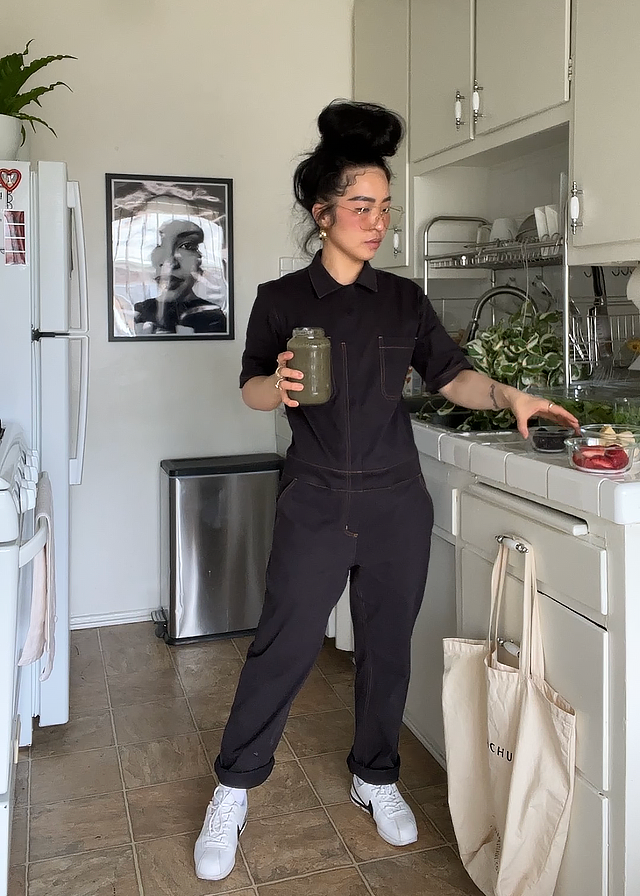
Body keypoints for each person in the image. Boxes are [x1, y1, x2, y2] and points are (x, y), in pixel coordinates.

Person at [193, 100, 580, 882]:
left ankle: (376, 776)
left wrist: (509, 397)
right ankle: (233, 788)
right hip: (314, 496)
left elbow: (453, 376)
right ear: (322, 210)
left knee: (387, 651)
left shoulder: (402, 300)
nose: (377, 222)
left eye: (385, 208)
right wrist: (282, 386)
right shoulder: (281, 300)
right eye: (362, 207)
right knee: (285, 644)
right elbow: (250, 391)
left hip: (396, 499)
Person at [133, 219, 227, 334]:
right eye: (158, 245)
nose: (170, 263)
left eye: (187, 246)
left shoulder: (213, 317)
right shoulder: (141, 312)